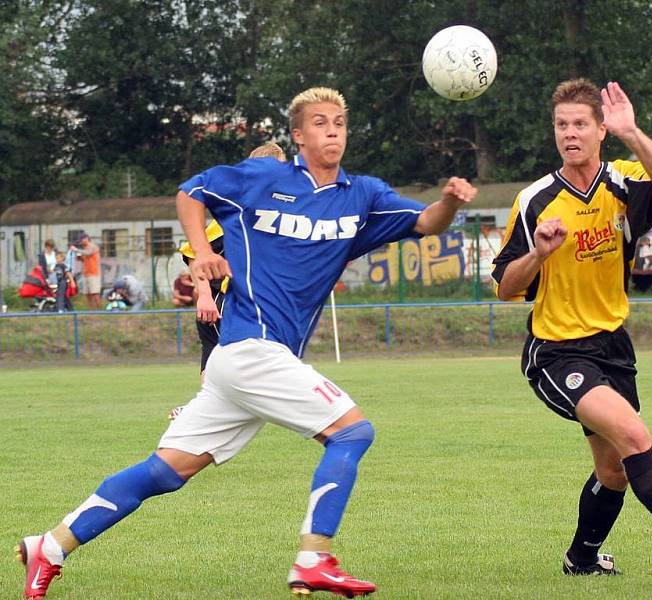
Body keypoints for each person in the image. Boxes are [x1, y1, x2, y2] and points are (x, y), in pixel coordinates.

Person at [17, 86, 476, 599]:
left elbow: (423, 222)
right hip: (251, 347)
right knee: (352, 433)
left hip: (245, 363)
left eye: (340, 123)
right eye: (320, 123)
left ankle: (49, 546)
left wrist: (451, 202)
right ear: (298, 136)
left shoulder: (361, 195)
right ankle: (314, 558)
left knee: (165, 472)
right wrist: (197, 259)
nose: (332, 131)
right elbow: (191, 192)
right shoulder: (263, 177)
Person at [491, 79, 652, 588]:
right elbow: (504, 286)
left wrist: (633, 132)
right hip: (556, 351)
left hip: (613, 347)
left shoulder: (623, 182)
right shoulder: (534, 201)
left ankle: (582, 559)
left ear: (600, 130)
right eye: (561, 125)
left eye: (579, 125)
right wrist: (539, 256)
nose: (569, 134)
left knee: (614, 470)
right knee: (636, 438)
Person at [167, 142, 288, 420]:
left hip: (245, 303)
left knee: (229, 367)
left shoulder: (272, 213)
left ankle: (196, 412)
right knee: (243, 370)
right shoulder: (236, 215)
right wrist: (205, 297)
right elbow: (192, 254)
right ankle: (196, 413)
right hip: (224, 302)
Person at [72, 233, 102, 309]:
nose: (81, 243)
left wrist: (76, 250)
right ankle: (91, 310)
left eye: (81, 240)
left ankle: (99, 310)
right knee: (88, 294)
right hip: (86, 274)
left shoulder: (93, 246)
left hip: (94, 273)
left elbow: (89, 253)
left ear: (86, 239)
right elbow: (85, 259)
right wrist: (79, 258)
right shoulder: (84, 249)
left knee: (95, 293)